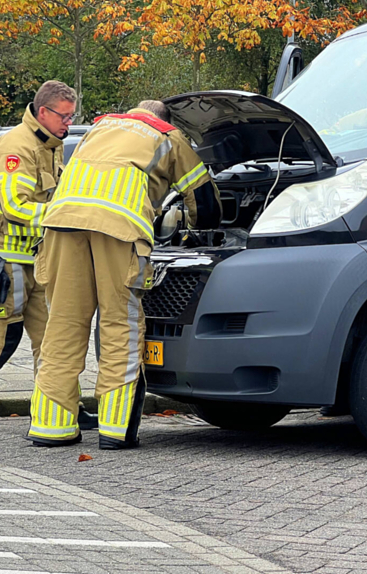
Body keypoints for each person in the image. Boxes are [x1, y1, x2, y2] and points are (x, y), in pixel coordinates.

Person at [26, 100, 221, 449]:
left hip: (60, 225)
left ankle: (51, 426)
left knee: (63, 323)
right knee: (120, 325)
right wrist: (197, 228)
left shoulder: (99, 128)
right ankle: (115, 430)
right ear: (163, 119)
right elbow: (203, 201)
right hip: (119, 231)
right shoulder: (167, 135)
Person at [0, 80, 97, 433]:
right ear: (43, 112)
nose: (69, 124)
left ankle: (61, 406)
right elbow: (16, 206)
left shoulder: (50, 144)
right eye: (64, 116)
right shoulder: (18, 146)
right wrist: (65, 216)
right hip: (3, 258)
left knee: (53, 337)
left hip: (34, 257)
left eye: (72, 117)